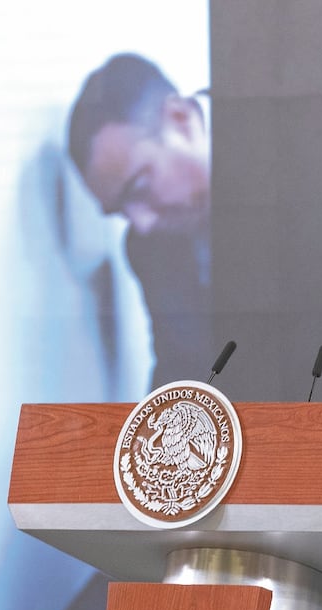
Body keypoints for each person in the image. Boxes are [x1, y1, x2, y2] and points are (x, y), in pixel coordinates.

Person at [67, 53, 213, 388]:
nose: (142, 224)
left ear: (180, 119)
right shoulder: (145, 247)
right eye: (120, 211)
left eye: (140, 188)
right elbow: (178, 377)